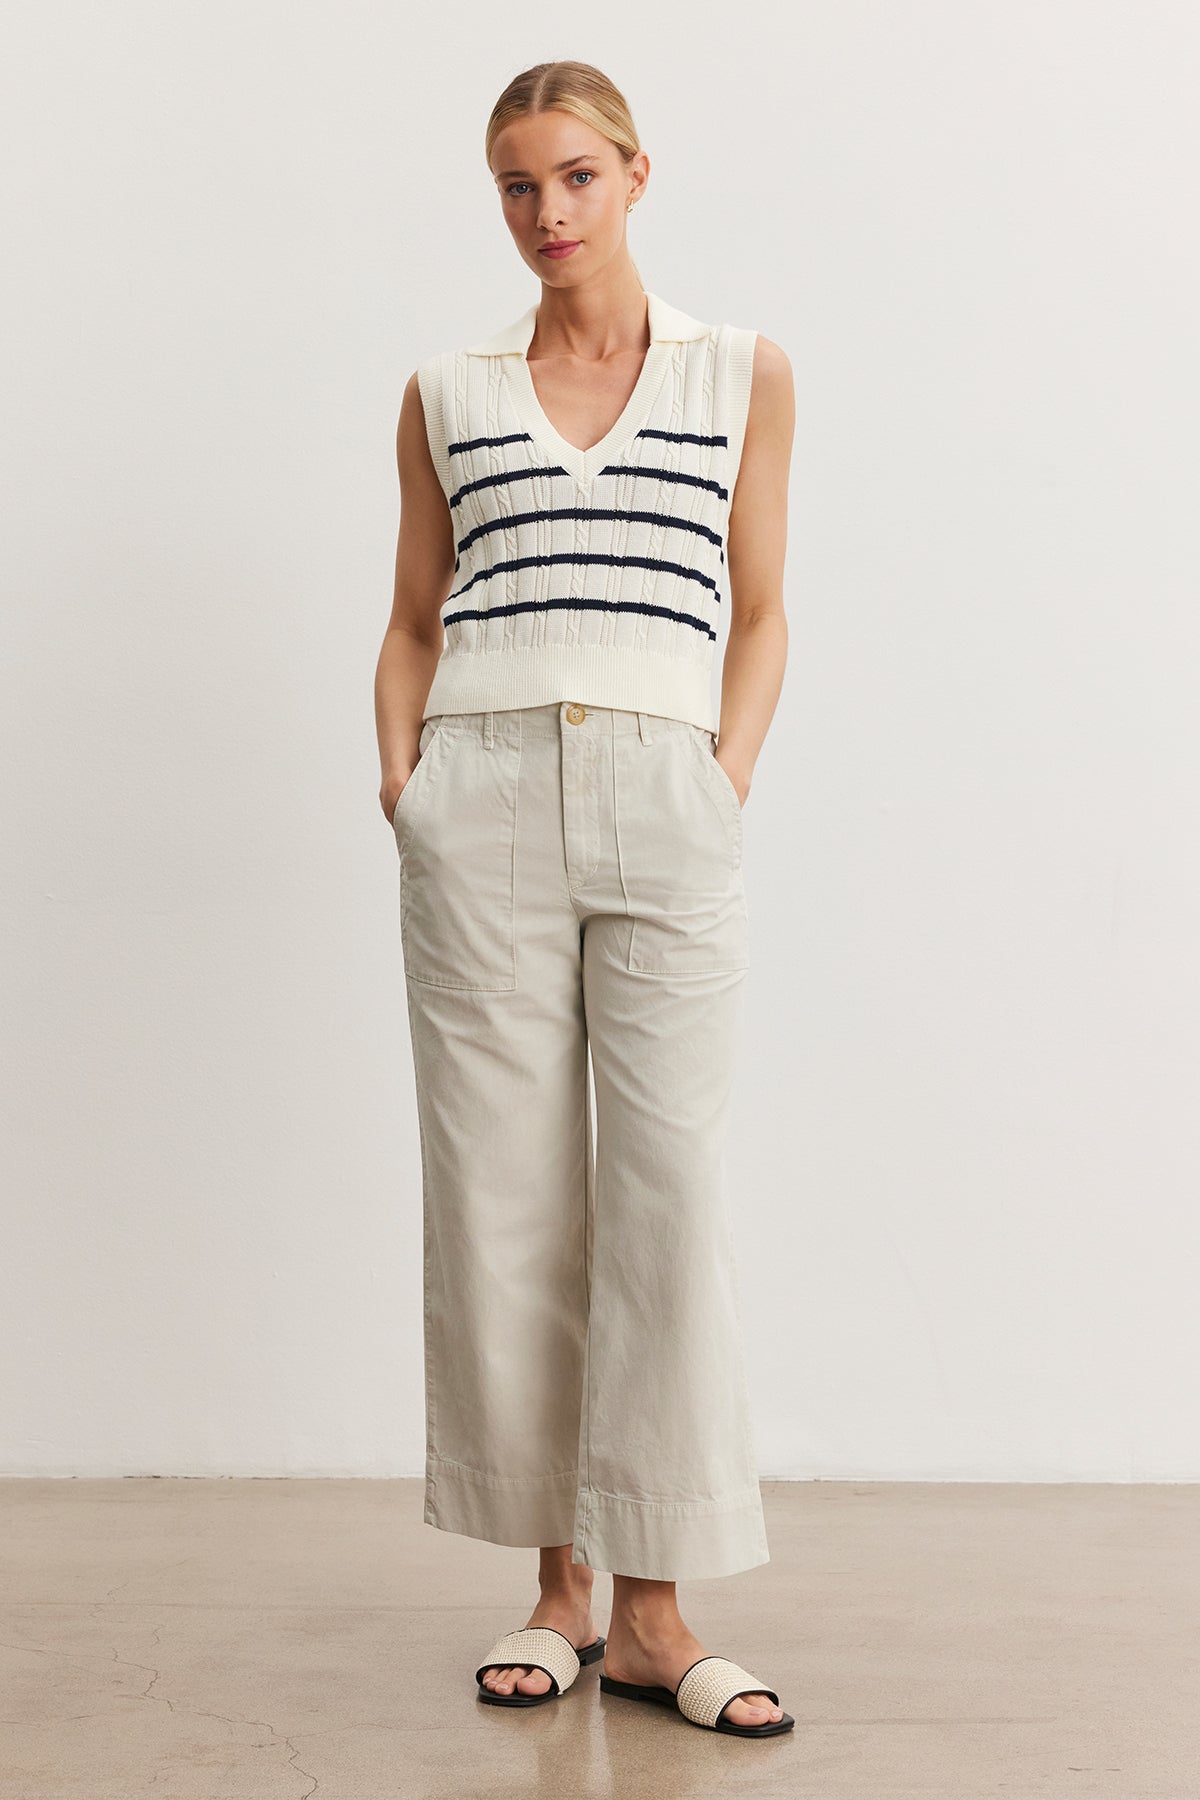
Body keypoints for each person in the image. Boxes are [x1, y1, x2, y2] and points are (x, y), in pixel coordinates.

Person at [374, 59, 794, 1741]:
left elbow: (762, 607)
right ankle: (559, 1594)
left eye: (572, 179)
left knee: (668, 1196)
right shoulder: (445, 389)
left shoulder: (738, 372)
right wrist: (406, 786)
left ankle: (661, 1610)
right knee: (507, 1200)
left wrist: (721, 776)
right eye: (515, 188)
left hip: (665, 793)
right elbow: (412, 613)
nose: (546, 215)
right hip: (478, 796)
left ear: (634, 175)